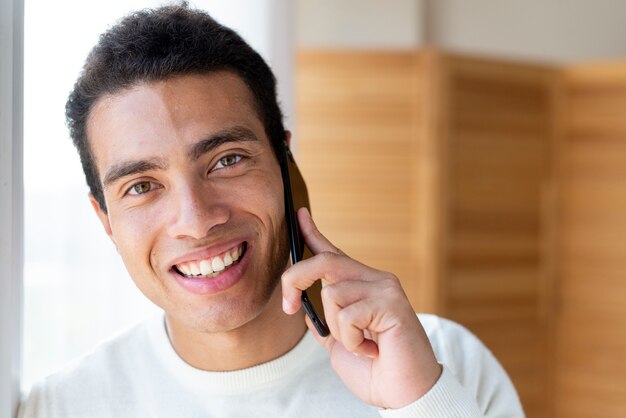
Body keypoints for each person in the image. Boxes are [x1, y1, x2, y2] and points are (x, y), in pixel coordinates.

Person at [18, 3, 524, 417]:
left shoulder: (444, 362)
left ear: (287, 166)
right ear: (105, 220)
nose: (196, 220)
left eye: (226, 160)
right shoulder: (59, 407)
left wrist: (422, 404)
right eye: (142, 186)